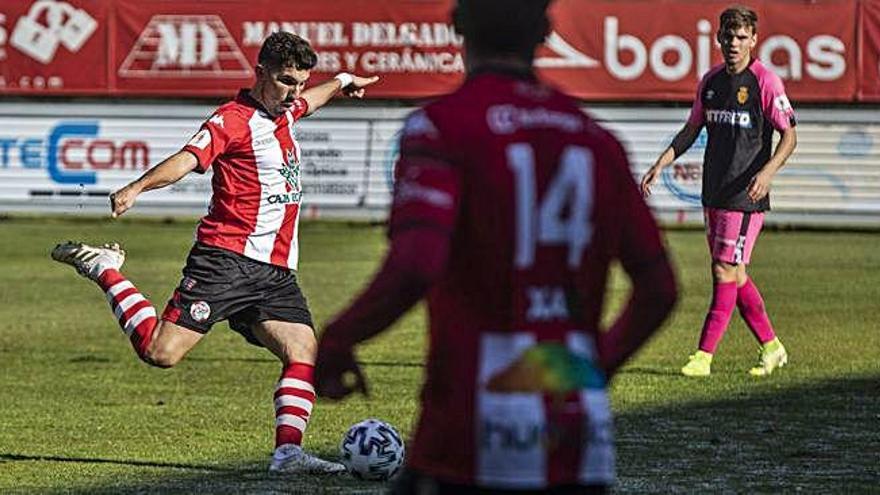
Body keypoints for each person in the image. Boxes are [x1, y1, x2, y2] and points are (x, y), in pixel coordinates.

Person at [314, 0, 678, 493]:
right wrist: (594, 369)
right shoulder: (598, 142)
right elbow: (659, 287)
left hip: (466, 429)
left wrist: (338, 337)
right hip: (574, 434)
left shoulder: (442, 126)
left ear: (459, 28)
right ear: (545, 33)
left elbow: (417, 263)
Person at [50, 31, 379, 474]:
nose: (293, 92)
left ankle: (287, 454)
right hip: (224, 261)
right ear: (260, 73)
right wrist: (137, 187)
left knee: (303, 352)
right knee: (161, 353)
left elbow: (312, 101)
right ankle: (105, 268)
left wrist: (340, 81)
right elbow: (187, 158)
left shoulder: (285, 111)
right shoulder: (232, 119)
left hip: (275, 272)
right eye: (285, 81)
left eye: (300, 82)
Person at [641, 6, 797, 377]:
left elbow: (789, 136)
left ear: (754, 40)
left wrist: (768, 173)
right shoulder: (711, 82)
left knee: (723, 269)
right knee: (735, 275)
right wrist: (661, 163)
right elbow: (691, 128)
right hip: (713, 191)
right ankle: (772, 347)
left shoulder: (765, 82)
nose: (734, 43)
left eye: (742, 37)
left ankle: (703, 356)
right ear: (718, 39)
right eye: (728, 36)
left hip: (747, 195)